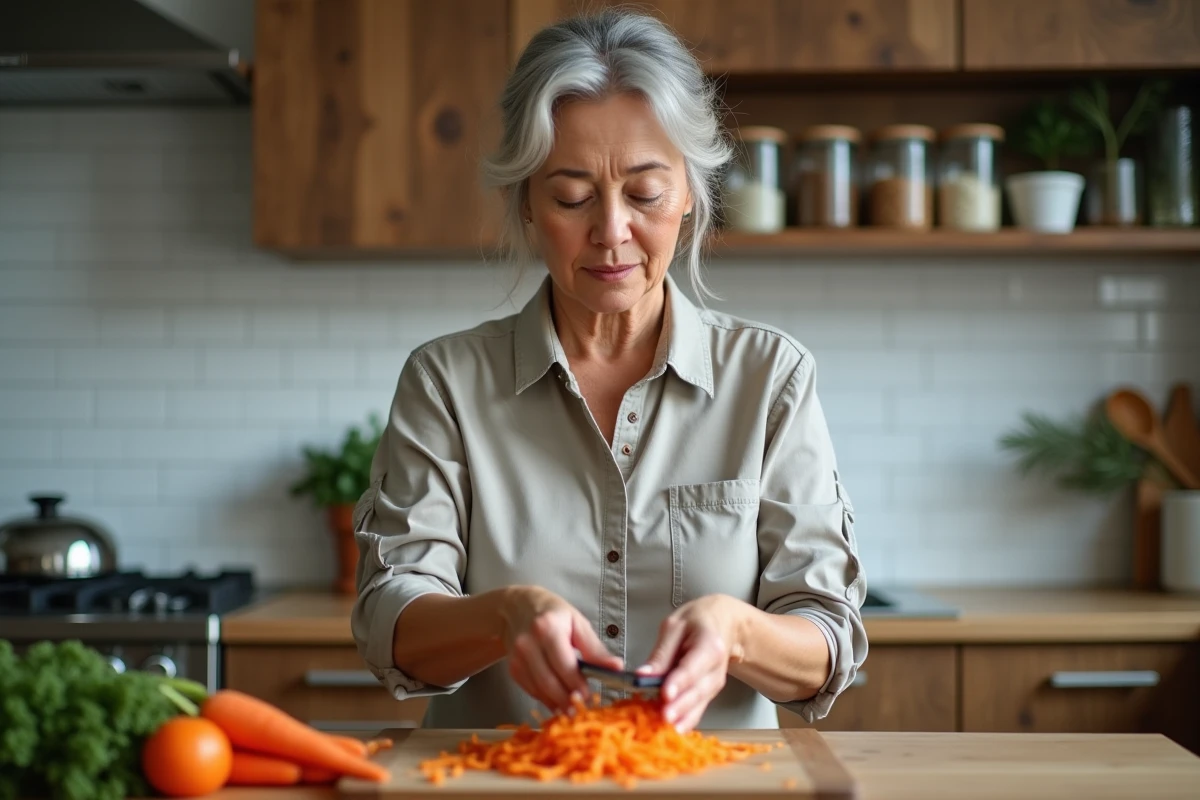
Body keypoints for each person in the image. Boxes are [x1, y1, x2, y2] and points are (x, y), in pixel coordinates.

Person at [350, 8, 867, 733]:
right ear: (526, 202)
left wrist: (737, 632)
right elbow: (389, 619)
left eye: (646, 193)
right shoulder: (446, 383)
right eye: (571, 196)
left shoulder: (770, 378)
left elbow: (829, 636)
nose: (612, 231)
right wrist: (505, 617)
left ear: (689, 194)